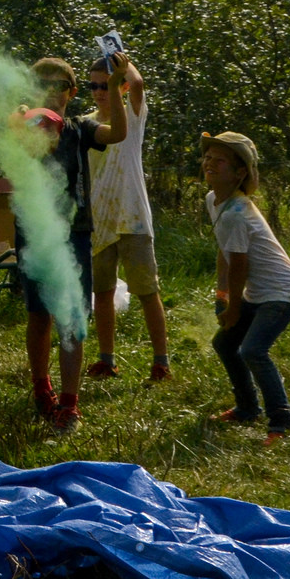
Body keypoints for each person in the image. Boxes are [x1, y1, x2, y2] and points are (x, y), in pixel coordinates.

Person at [23, 54, 127, 429]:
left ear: (72, 92)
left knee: (72, 318)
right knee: (39, 315)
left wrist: (114, 87)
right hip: (33, 234)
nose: (53, 93)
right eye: (44, 86)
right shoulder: (23, 125)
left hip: (75, 234)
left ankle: (69, 402)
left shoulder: (80, 127)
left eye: (61, 86)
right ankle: (41, 387)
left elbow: (116, 133)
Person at [202, 131, 290, 445]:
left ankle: (281, 422)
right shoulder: (214, 200)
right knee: (224, 344)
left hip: (282, 291)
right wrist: (222, 294)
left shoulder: (237, 211)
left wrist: (234, 306)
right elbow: (225, 250)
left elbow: (240, 265)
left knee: (253, 350)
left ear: (240, 172)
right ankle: (247, 408)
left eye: (220, 161)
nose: (210, 164)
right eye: (208, 157)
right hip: (258, 291)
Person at [86, 54, 170, 382]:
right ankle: (106, 360)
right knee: (103, 292)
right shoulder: (88, 124)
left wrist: (121, 57)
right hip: (99, 221)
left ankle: (161, 361)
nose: (98, 91)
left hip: (133, 218)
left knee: (147, 290)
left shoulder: (133, 118)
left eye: (105, 84)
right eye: (93, 85)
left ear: (118, 85)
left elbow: (137, 84)